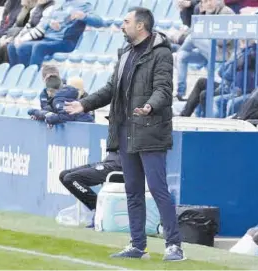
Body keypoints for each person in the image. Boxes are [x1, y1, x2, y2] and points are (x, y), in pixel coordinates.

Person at [65, 7, 184, 261]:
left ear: (141, 26)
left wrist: (150, 106)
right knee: (132, 190)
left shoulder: (161, 53)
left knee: (158, 188)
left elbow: (164, 89)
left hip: (150, 130)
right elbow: (111, 89)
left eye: (126, 21)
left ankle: (174, 245)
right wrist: (84, 104)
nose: (122, 25)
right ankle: (137, 245)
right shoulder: (125, 53)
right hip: (125, 131)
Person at [60, 151, 123, 228]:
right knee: (63, 175)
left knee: (70, 178)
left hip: (118, 166)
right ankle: (98, 207)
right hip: (108, 161)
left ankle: (100, 209)